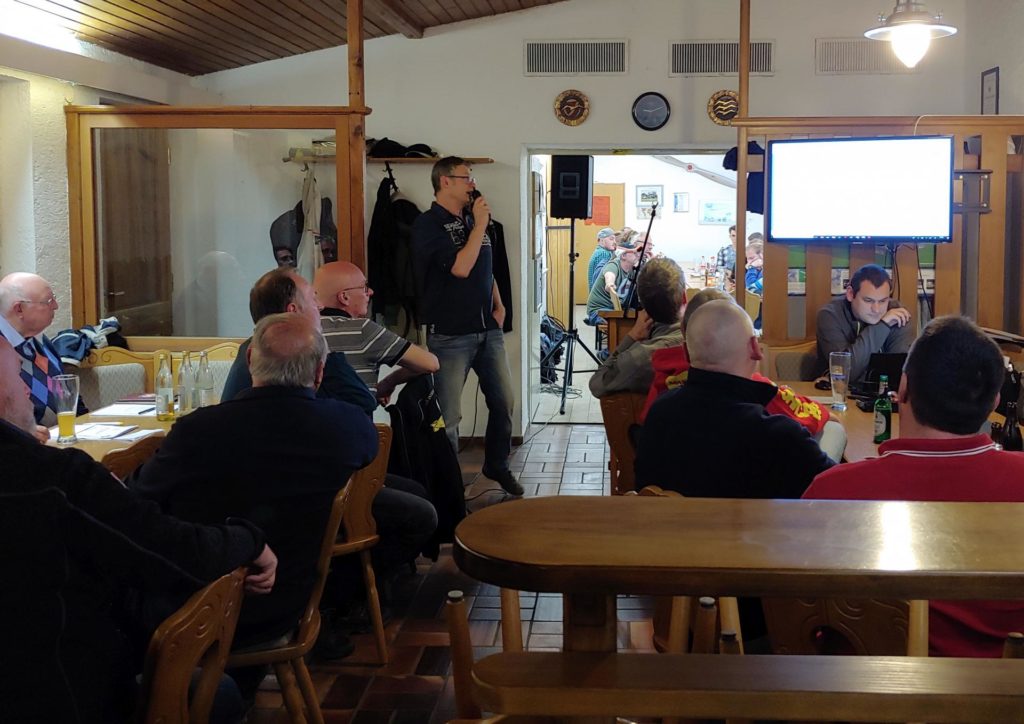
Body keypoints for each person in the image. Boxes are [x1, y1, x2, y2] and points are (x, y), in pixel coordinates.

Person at [0, 335, 277, 723]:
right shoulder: (55, 479)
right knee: (219, 693)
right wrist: (250, 540)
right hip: (58, 693)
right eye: (18, 375)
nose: (28, 389)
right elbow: (176, 554)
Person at [129, 313, 378, 648]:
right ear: (320, 372)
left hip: (193, 616)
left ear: (249, 360)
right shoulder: (347, 427)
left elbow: (136, 497)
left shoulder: (198, 431)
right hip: (287, 604)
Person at [804, 316, 1024, 658]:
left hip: (863, 684)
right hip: (1006, 685)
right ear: (994, 402)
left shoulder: (830, 492)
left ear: (903, 388)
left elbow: (801, 614)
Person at [636, 299, 835, 496]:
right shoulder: (780, 435)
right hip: (761, 520)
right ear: (755, 348)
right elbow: (841, 490)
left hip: (668, 519)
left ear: (686, 352)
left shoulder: (658, 414)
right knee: (834, 433)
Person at [411, 156, 520, 496]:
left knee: (504, 402)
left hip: (488, 330)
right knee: (449, 418)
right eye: (466, 178)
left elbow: (485, 267)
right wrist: (479, 226)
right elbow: (460, 267)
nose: (472, 184)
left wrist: (499, 304)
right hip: (450, 335)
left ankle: (497, 464)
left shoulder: (474, 221)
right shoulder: (428, 225)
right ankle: (448, 489)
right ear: (445, 181)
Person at [640, 289, 831, 441]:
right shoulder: (758, 391)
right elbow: (812, 416)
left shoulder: (661, 390)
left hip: (676, 473)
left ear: (685, 337)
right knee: (832, 431)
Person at [222, 267, 377, 415]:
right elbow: (364, 404)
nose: (321, 306)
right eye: (313, 299)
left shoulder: (249, 349)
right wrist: (326, 353)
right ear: (293, 311)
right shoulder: (298, 355)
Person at [313, 260, 439, 404]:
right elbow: (431, 364)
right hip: (356, 417)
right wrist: (388, 383)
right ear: (344, 297)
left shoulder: (303, 331)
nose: (371, 292)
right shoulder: (363, 330)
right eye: (364, 287)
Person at [0, 272, 87, 427]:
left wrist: (88, 425)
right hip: (25, 440)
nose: (55, 306)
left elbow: (67, 397)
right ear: (19, 309)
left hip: (68, 435)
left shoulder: (39, 341)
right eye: (48, 301)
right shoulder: (3, 350)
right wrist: (29, 434)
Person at [589, 257, 685, 397]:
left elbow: (596, 385)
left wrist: (631, 336)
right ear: (684, 297)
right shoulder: (707, 346)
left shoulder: (636, 359)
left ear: (641, 302)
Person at [816, 263, 915, 383]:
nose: (876, 309)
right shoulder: (830, 315)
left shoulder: (898, 315)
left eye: (883, 301)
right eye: (868, 301)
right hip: (837, 393)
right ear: (850, 294)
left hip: (883, 393)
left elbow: (898, 374)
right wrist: (882, 326)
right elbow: (844, 374)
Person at [585, 243, 640, 326]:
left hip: (616, 309)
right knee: (621, 324)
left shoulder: (632, 270)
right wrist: (610, 283)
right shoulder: (614, 265)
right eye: (634, 253)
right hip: (599, 310)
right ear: (623, 256)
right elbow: (609, 274)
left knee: (639, 316)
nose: (638, 255)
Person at [716, 225, 737, 290]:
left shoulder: (747, 251)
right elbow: (718, 268)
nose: (736, 238)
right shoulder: (723, 251)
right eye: (733, 236)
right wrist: (728, 271)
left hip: (743, 283)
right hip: (727, 283)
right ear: (730, 236)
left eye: (738, 235)